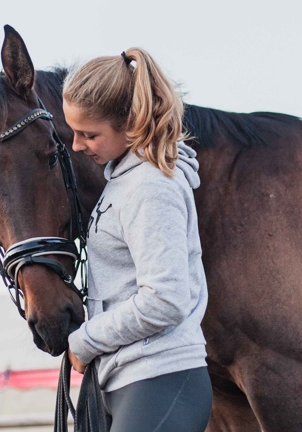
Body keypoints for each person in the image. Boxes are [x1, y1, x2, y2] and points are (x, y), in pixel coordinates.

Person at [62, 48, 212, 432]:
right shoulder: (123, 182)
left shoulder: (148, 188)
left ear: (128, 124)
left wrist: (86, 340)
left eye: (89, 134)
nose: (78, 145)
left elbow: (165, 299)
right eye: (74, 133)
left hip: (161, 375)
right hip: (130, 378)